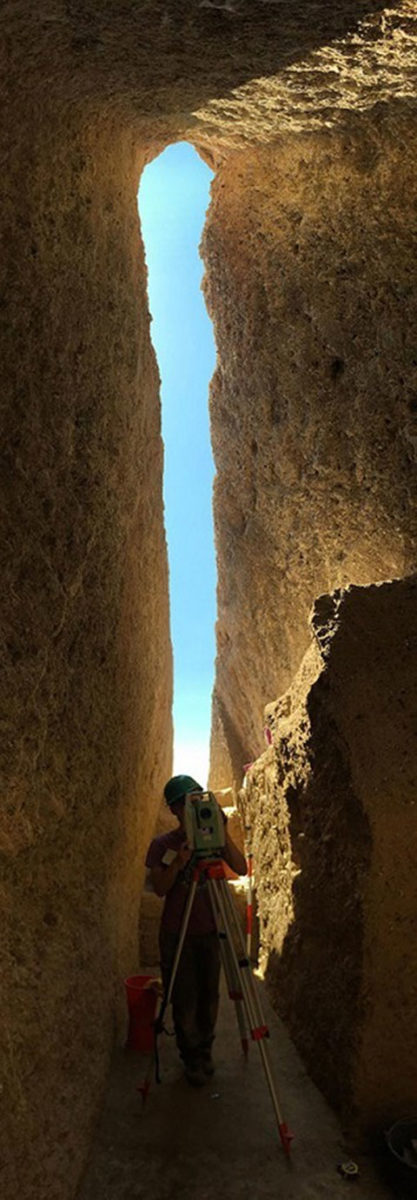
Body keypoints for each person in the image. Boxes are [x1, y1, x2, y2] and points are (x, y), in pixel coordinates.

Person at [145, 774, 247, 1087]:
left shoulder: (212, 837)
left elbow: (241, 868)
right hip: (178, 932)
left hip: (210, 929)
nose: (190, 809)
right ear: (175, 810)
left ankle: (205, 1052)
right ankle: (190, 1057)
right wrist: (179, 861)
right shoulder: (163, 845)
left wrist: (222, 833)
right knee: (184, 998)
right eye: (183, 804)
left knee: (209, 996)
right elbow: (160, 888)